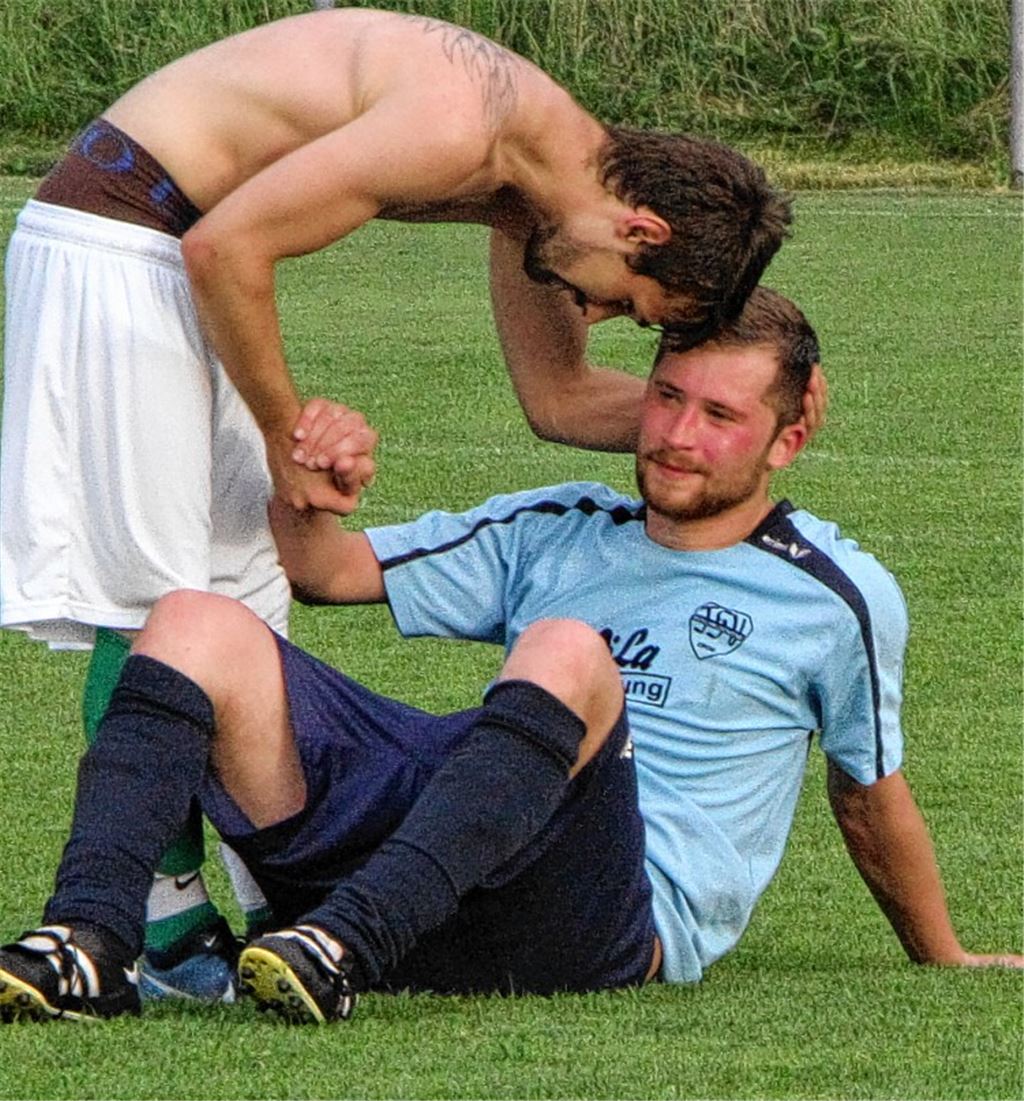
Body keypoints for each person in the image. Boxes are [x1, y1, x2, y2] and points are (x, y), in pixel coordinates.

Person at [0, 7, 794, 998]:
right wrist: (294, 437)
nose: (596, 316)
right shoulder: (463, 127)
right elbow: (225, 251)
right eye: (627, 304)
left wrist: (742, 426)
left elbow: (558, 399)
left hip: (179, 243)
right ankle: (159, 930)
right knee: (155, 596)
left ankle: (261, 912)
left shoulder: (532, 189)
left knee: (242, 596)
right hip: (124, 234)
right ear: (641, 229)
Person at [1, 287, 1019, 1024]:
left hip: (605, 920)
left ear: (787, 439)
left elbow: (867, 791)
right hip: (442, 866)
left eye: (719, 417)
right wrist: (310, 471)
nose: (675, 435)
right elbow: (329, 570)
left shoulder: (834, 593)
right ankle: (89, 943)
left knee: (565, 647)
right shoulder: (561, 526)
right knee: (195, 621)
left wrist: (943, 955)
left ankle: (343, 942)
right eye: (667, 399)